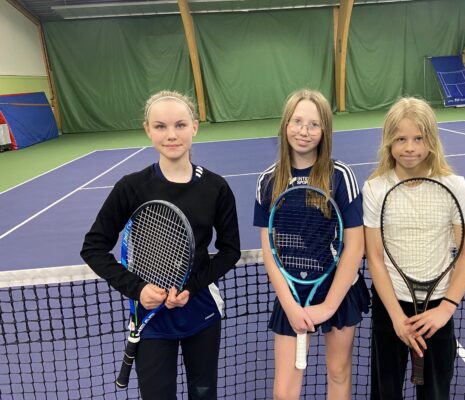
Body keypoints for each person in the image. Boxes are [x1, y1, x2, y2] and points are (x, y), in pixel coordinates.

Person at [80, 90, 241, 400]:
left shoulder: (216, 187)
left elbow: (230, 250)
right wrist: (137, 289)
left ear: (194, 127)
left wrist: (191, 287)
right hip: (150, 317)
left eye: (180, 125)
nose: (171, 135)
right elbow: (94, 248)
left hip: (201, 311)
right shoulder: (131, 187)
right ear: (148, 130)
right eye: (160, 126)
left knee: (203, 393)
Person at [253, 89, 369, 400]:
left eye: (314, 124)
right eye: (297, 121)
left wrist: (328, 305)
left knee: (338, 372)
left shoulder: (340, 176)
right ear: (285, 125)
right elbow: (269, 251)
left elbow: (355, 246)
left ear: (325, 130)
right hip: (292, 294)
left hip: (338, 291)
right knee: (284, 391)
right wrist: (291, 307)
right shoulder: (268, 181)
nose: (304, 131)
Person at [362, 97, 465, 400]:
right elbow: (375, 258)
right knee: (385, 393)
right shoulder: (374, 188)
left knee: (435, 394)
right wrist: (396, 318)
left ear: (431, 141)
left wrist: (446, 309)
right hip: (390, 308)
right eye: (401, 139)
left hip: (437, 309)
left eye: (418, 138)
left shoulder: (454, 185)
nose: (410, 147)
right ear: (389, 141)